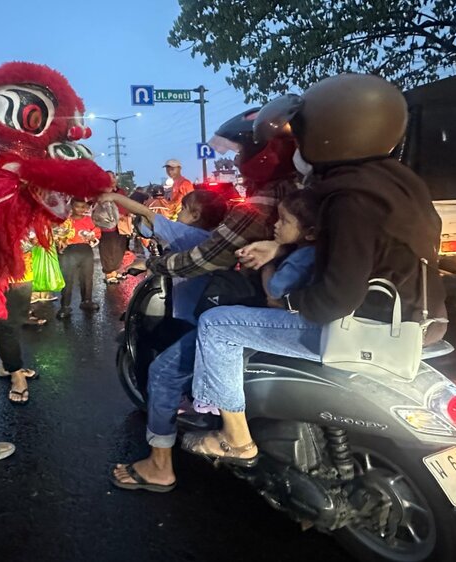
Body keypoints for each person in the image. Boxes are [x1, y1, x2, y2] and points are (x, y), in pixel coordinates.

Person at [180, 74, 448, 466]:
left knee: (217, 325)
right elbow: (360, 250)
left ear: (330, 135)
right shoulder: (398, 184)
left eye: (302, 134)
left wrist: (285, 299)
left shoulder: (350, 199)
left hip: (365, 328)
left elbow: (335, 300)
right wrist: (282, 246)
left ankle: (235, 439)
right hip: (421, 319)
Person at [111, 108, 299, 492]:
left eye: (242, 151)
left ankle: (161, 465)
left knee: (164, 372)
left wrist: (154, 264)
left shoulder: (260, 205)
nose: (238, 160)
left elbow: (206, 257)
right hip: (285, 305)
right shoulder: (301, 194)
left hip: (249, 311)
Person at [0, 236, 39, 405]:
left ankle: (6, 365)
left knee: (16, 321)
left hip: (24, 272)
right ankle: (16, 374)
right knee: (5, 325)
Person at [56, 198, 100, 319]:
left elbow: (97, 232)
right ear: (71, 207)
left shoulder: (89, 220)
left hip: (86, 250)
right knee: (68, 279)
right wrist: (60, 243)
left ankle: (87, 301)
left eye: (83, 207)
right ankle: (65, 306)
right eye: (77, 206)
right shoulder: (66, 221)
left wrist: (92, 237)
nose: (80, 209)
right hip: (70, 251)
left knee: (87, 277)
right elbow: (59, 236)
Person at [98, 171, 130, 285]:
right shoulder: (101, 193)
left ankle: (115, 271)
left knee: (119, 249)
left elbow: (126, 204)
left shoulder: (120, 192)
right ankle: (109, 273)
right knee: (108, 250)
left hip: (121, 225)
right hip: (107, 227)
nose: (112, 180)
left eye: (113, 178)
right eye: (108, 178)